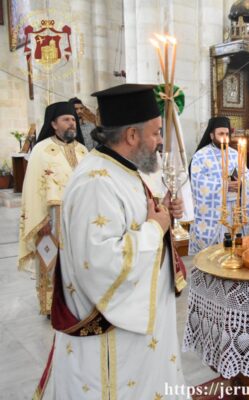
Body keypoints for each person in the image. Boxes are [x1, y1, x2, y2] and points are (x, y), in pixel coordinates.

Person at [33, 84, 188, 399]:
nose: (160, 141)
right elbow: (102, 263)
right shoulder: (96, 183)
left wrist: (162, 211)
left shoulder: (122, 169)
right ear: (131, 135)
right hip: (111, 341)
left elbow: (136, 220)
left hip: (139, 335)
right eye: (156, 132)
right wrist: (155, 227)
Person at [18, 101, 88, 316]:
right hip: (51, 218)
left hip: (80, 217)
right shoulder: (41, 150)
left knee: (78, 261)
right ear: (54, 124)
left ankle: (77, 302)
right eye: (66, 119)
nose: (72, 123)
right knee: (51, 261)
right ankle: (50, 306)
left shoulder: (83, 150)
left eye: (73, 119)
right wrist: (40, 221)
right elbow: (32, 187)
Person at [188, 116, 249, 254]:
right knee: (212, 253)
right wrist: (224, 185)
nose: (225, 137)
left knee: (233, 244)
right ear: (211, 135)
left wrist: (241, 182)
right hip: (213, 211)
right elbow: (198, 182)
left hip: (233, 209)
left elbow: (246, 174)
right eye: (221, 134)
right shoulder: (201, 156)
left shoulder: (235, 154)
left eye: (227, 134)